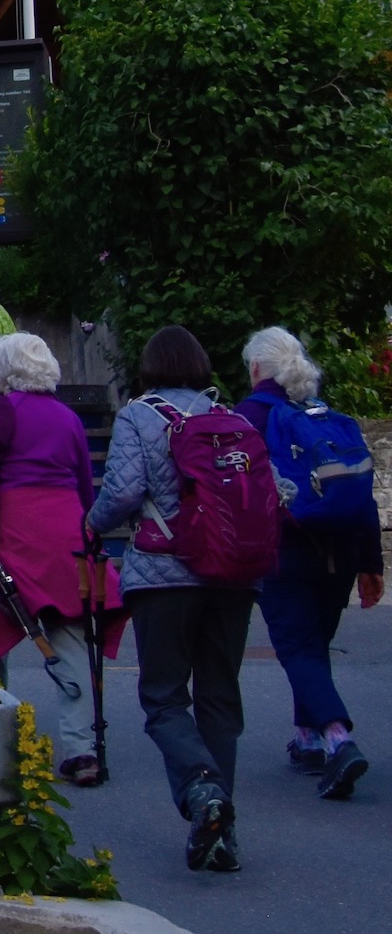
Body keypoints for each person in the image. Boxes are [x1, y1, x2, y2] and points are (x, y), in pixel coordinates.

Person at [86, 325, 256, 873]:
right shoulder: (235, 420)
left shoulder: (140, 413)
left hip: (164, 574)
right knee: (219, 698)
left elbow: (125, 491)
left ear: (151, 365)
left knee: (163, 698)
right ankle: (220, 831)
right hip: (233, 575)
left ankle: (203, 792)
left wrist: (90, 527)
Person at [0, 332, 121, 787]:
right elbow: (85, 483)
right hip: (64, 532)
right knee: (71, 636)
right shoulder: (67, 417)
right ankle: (80, 750)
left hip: (11, 532)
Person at [234, 325, 382, 799]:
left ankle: (338, 738)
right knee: (314, 645)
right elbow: (363, 497)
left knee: (298, 648)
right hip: (341, 549)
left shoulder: (248, 417)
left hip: (287, 549)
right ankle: (306, 739)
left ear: (256, 369)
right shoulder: (327, 418)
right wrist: (370, 562)